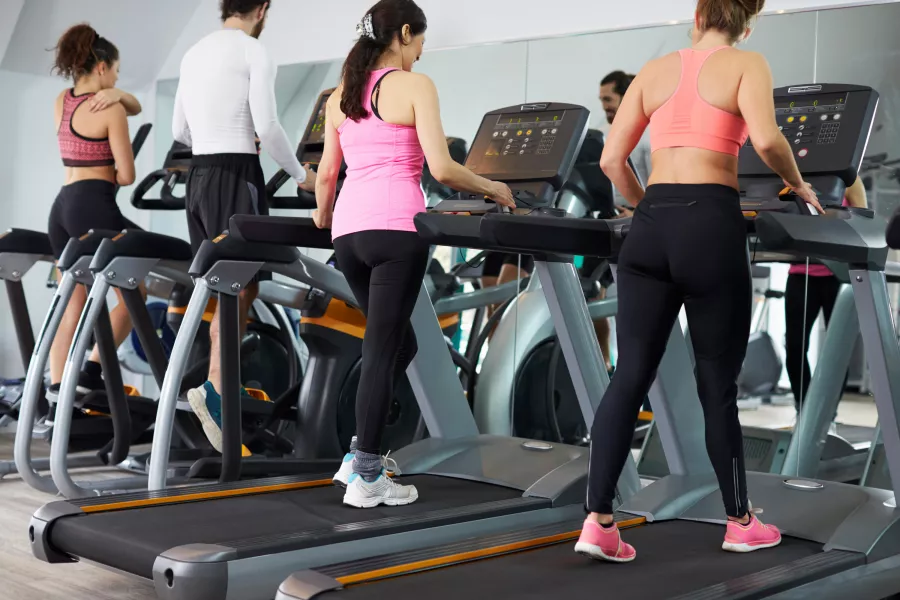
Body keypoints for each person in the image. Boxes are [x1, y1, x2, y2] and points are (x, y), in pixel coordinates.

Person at [575, 0, 823, 563]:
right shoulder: (747, 63)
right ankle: (739, 520)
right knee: (716, 383)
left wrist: (652, 211)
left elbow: (613, 160)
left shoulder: (655, 70)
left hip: (652, 225)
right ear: (747, 23)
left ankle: (598, 522)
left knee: (629, 374)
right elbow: (766, 140)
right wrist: (799, 185)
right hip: (711, 221)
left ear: (696, 18)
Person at [313, 0, 514, 508]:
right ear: (404, 33)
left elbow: (325, 175)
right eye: (421, 42)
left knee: (399, 348)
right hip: (396, 233)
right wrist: (493, 188)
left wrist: (322, 218)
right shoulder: (415, 87)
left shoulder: (340, 95)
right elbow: (443, 169)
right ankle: (366, 476)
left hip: (348, 236)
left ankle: (361, 453)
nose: (422, 54)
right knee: (383, 351)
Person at [172, 0, 317, 451]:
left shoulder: (193, 52)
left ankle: (216, 385)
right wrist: (302, 176)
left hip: (197, 177)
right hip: (236, 173)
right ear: (263, 8)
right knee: (243, 286)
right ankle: (215, 388)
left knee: (224, 285)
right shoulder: (253, 50)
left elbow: (180, 130)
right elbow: (269, 126)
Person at [48, 23, 144, 395]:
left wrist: (119, 94)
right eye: (117, 72)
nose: (117, 80)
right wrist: (117, 101)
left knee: (71, 307)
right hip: (94, 204)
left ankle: (58, 397)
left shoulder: (63, 99)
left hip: (61, 207)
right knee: (135, 296)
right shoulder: (112, 111)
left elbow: (131, 103)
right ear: (103, 67)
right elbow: (126, 175)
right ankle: (91, 369)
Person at [587, 70, 654, 373]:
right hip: (612, 222)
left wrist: (641, 212)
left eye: (608, 99)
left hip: (642, 225)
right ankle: (603, 367)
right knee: (589, 290)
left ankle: (634, 372)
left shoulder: (648, 136)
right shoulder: (608, 133)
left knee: (634, 310)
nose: (604, 106)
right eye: (601, 100)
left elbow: (659, 186)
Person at [785, 176, 867, 414]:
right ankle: (805, 410)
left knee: (837, 350)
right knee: (795, 346)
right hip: (801, 274)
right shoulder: (794, 177)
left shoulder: (849, 181)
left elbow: (861, 223)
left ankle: (828, 413)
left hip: (837, 276)